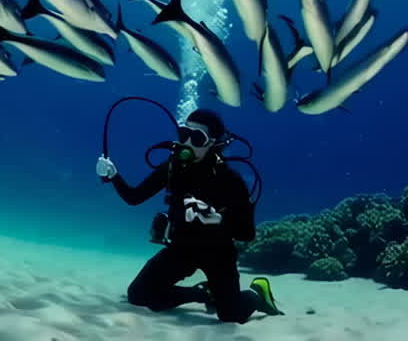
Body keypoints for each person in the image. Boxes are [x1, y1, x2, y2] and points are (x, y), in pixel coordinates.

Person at [96, 108, 283, 323]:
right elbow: (134, 197)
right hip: (181, 248)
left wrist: (218, 219)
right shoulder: (173, 167)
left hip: (218, 253)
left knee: (231, 315)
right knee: (139, 295)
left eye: (197, 137)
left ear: (213, 143)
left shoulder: (229, 180)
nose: (187, 142)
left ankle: (258, 294)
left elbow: (247, 233)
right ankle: (203, 293)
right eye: (184, 134)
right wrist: (113, 175)